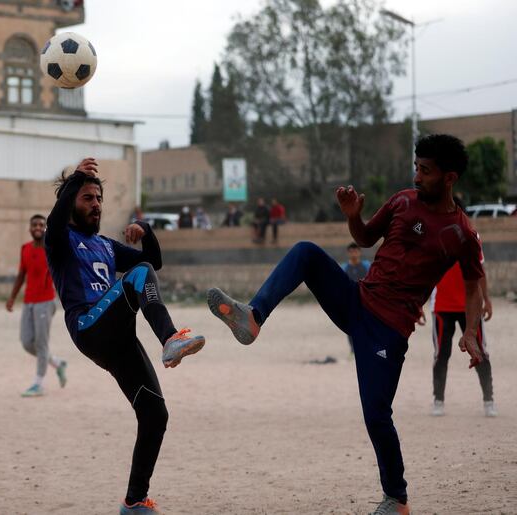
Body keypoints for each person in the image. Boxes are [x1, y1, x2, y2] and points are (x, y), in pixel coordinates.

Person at [206, 134, 485, 515]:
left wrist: (469, 331)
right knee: (305, 251)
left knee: (376, 413)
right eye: (416, 168)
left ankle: (397, 500)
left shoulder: (461, 233)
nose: (417, 176)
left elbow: (473, 282)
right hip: (356, 300)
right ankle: (253, 318)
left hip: (387, 330)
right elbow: (366, 237)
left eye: (426, 171)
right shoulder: (403, 200)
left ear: (449, 177)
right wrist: (354, 215)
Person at [45, 157, 205, 514]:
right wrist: (78, 178)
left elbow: (154, 262)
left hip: (116, 338)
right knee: (137, 275)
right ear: (71, 201)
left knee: (155, 414)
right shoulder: (59, 240)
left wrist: (146, 230)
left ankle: (134, 501)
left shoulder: (104, 244)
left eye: (99, 198)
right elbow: (55, 220)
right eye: (88, 197)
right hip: (88, 325)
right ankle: (169, 338)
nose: (96, 204)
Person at [424, 235, 497, 417]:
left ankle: (489, 400)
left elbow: (479, 269)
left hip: (471, 305)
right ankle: (438, 400)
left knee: (480, 351)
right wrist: (418, 303)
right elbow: (425, 271)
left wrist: (486, 299)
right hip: (441, 306)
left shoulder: (472, 236)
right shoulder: (434, 232)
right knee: (441, 354)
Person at [6, 214, 68, 397]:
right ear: (30, 228)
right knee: (26, 342)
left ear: (45, 228)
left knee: (41, 344)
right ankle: (57, 363)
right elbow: (21, 275)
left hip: (45, 302)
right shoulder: (24, 248)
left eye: (41, 224)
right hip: (28, 302)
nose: (38, 227)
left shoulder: (52, 249)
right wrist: (12, 298)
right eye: (35, 225)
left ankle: (38, 384)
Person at [341, 242, 371, 354]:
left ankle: (366, 348)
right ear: (348, 253)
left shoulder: (367, 266)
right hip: (350, 302)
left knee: (367, 326)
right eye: (351, 251)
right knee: (350, 327)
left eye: (356, 251)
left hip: (366, 302)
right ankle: (353, 350)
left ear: (360, 252)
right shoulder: (344, 268)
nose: (354, 253)